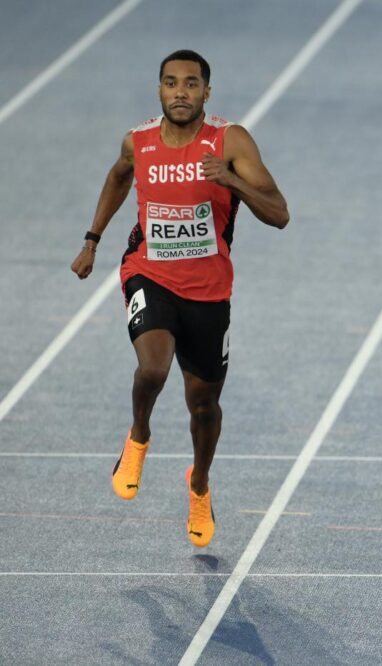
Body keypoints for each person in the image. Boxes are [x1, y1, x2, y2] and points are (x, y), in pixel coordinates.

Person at [70, 50, 289, 547]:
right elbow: (118, 176)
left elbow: (279, 213)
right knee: (153, 367)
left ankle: (199, 486)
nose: (181, 92)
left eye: (192, 84)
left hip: (209, 290)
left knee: (203, 403)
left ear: (207, 93)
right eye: (171, 83)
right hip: (149, 273)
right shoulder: (139, 141)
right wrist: (91, 240)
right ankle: (139, 436)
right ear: (160, 90)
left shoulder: (229, 141)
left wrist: (230, 179)